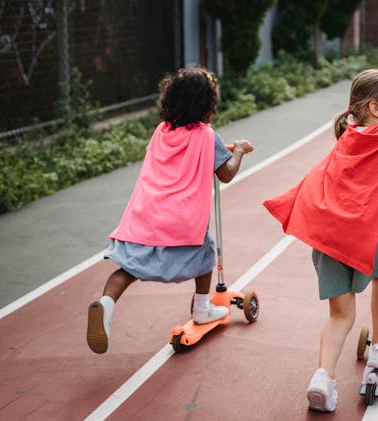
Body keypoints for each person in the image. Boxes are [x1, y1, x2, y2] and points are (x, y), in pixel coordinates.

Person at [263, 68, 378, 412]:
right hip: (374, 237)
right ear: (375, 107)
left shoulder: (348, 137)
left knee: (340, 315)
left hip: (330, 238)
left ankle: (323, 378)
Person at [86, 65, 254, 354]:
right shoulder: (206, 136)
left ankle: (106, 305)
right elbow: (225, 173)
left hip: (146, 217)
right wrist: (237, 150)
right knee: (206, 256)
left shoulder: (161, 132)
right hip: (182, 220)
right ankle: (203, 308)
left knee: (127, 268)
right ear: (207, 105)